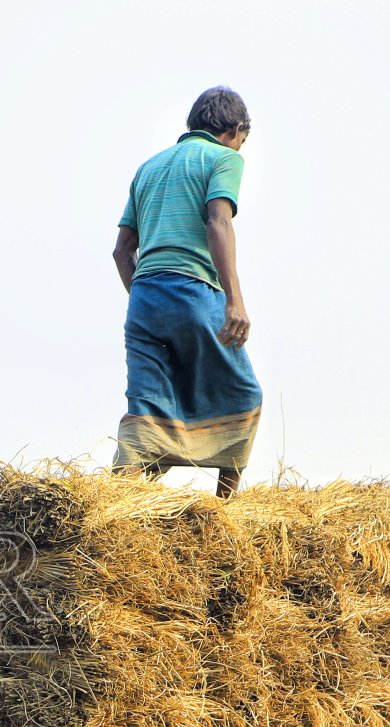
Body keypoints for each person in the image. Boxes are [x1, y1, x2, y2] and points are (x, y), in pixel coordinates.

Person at [111, 86, 263, 499]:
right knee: (243, 395)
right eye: (243, 141)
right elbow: (218, 222)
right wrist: (233, 299)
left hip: (143, 300)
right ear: (236, 130)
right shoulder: (224, 158)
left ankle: (116, 509)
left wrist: (145, 300)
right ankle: (225, 511)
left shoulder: (150, 168)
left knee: (147, 408)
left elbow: (122, 250)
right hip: (194, 291)